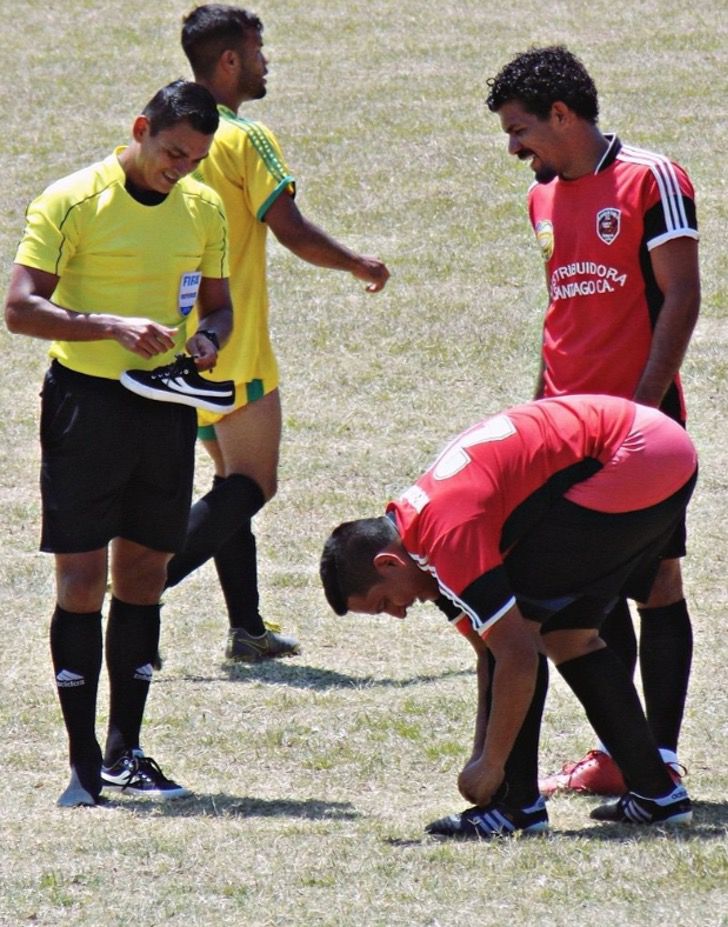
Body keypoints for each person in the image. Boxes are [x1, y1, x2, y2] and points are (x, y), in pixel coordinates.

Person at [4, 80, 234, 807]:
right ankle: (79, 764)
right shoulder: (71, 199)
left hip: (165, 408)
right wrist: (110, 324)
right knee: (81, 581)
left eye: (195, 159)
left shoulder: (204, 209)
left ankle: (125, 750)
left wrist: (206, 339)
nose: (181, 169)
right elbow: (19, 308)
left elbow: (221, 309)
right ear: (140, 129)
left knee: (143, 577)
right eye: (172, 152)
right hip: (86, 407)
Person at [320, 395, 697, 837]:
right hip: (659, 450)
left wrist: (492, 766)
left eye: (385, 603)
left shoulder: (445, 536)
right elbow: (487, 651)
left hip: (632, 456)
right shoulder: (418, 531)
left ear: (389, 564)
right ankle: (658, 795)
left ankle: (516, 808)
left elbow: (516, 656)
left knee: (528, 637)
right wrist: (480, 753)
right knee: (569, 635)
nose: (399, 614)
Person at [485, 46, 700, 798]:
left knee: (657, 581)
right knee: (589, 600)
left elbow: (681, 296)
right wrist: (537, 419)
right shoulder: (541, 199)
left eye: (520, 131)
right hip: (561, 435)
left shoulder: (651, 178)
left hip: (638, 434)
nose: (515, 149)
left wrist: (639, 414)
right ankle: (622, 753)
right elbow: (561, 315)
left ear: (563, 116)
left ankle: (661, 755)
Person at [162, 4, 391, 663]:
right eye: (259, 51)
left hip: (178, 342)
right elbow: (288, 227)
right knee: (255, 483)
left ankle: (247, 629)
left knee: (230, 481)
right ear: (229, 61)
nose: (267, 62)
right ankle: (143, 589)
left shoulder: (174, 130)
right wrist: (356, 262)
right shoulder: (242, 137)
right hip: (231, 342)